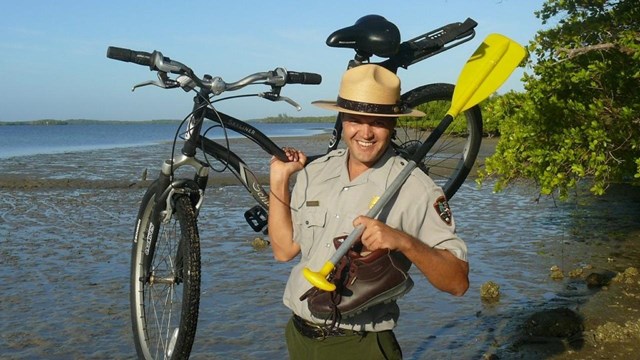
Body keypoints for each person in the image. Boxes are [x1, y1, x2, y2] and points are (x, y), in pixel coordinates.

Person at [268, 64, 469, 360]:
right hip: (299, 337)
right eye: (355, 120)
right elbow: (284, 250)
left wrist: (402, 241)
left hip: (361, 345)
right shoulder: (315, 172)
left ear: (393, 125)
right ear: (342, 120)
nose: (365, 133)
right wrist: (280, 180)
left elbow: (457, 283)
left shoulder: (417, 188)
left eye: (377, 122)